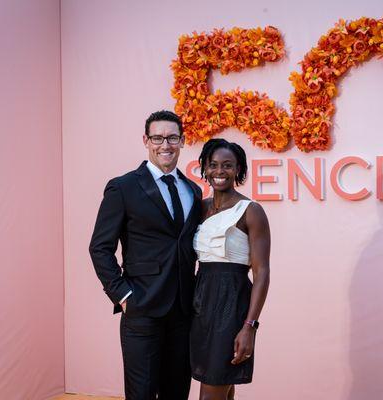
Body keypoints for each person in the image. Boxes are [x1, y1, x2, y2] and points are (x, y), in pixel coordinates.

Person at [89, 110, 202, 400]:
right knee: (141, 394)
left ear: (183, 140)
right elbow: (100, 247)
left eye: (173, 137)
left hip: (183, 312)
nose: (166, 144)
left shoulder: (193, 190)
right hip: (141, 309)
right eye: (158, 137)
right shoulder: (123, 187)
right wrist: (124, 296)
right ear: (146, 140)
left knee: (177, 392)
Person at [190, 139, 271, 400]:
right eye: (212, 165)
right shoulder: (200, 208)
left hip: (231, 305)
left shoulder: (251, 211)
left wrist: (249, 326)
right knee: (222, 386)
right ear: (204, 168)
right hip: (200, 303)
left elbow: (262, 273)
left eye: (227, 165)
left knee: (212, 389)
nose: (219, 171)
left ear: (238, 169)